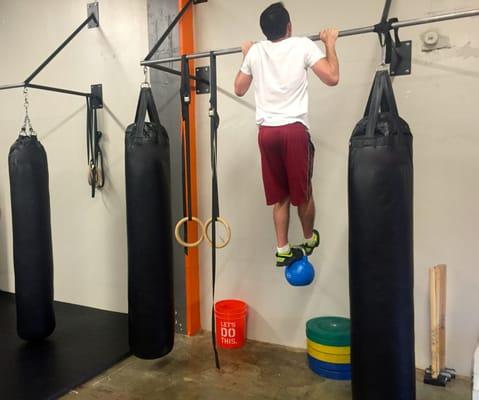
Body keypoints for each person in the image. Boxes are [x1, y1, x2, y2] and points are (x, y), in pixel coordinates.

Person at [234, 2, 339, 267]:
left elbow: (239, 88)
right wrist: (329, 42)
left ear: (265, 31)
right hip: (293, 131)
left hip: (266, 133)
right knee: (302, 192)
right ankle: (308, 239)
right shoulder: (302, 44)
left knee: (280, 195)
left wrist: (247, 56)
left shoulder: (256, 51)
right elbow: (332, 77)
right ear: (289, 27)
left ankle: (281, 248)